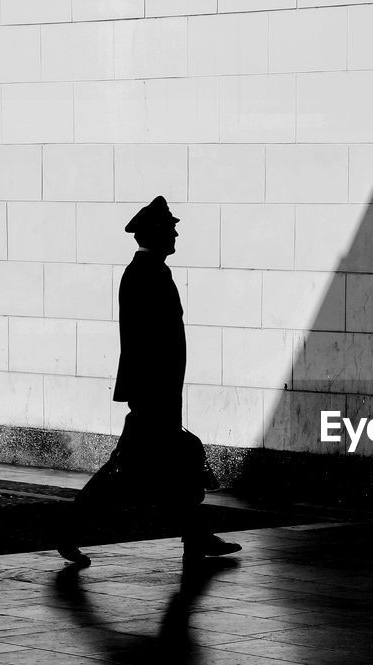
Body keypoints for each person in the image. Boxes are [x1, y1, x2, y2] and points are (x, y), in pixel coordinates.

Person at [57, 196, 240, 567]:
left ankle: (196, 538)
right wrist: (155, 392)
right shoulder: (147, 273)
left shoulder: (149, 271)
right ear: (156, 233)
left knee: (172, 469)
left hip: (158, 391)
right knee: (128, 472)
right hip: (154, 393)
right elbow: (149, 341)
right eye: (171, 229)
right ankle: (68, 533)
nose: (175, 234)